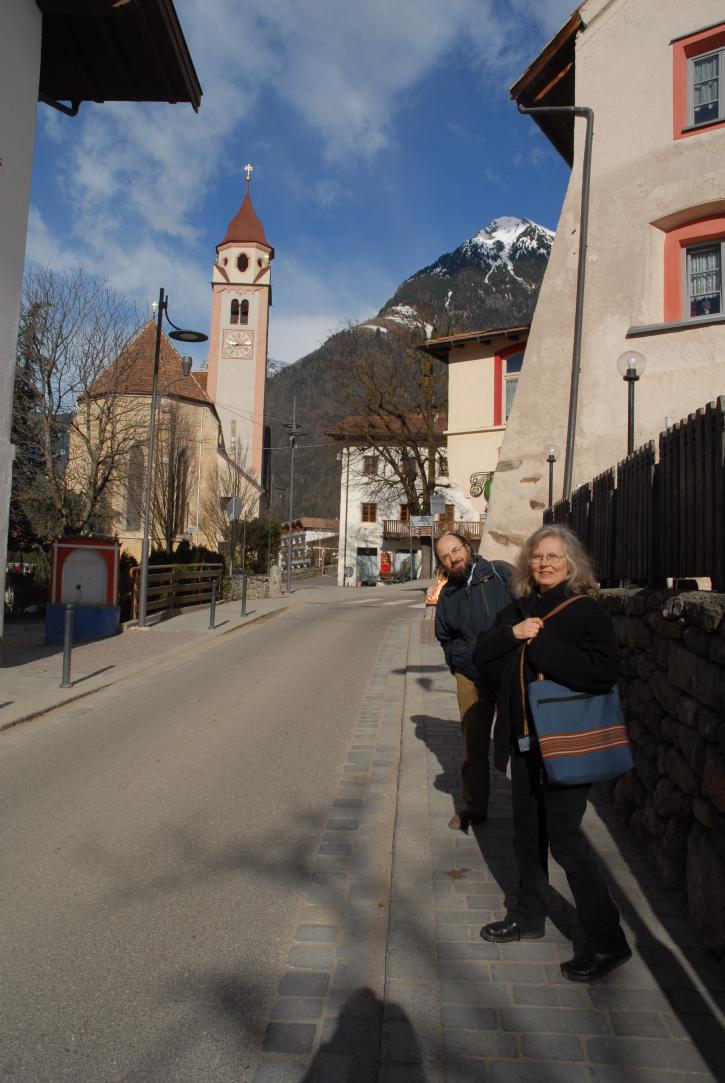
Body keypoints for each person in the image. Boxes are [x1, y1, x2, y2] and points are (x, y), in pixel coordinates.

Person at [473, 524, 631, 983]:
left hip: (565, 747)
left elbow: (603, 673)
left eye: (553, 557)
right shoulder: (519, 609)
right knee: (527, 835)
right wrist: (515, 633)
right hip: (524, 743)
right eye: (537, 557)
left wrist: (541, 645)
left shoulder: (586, 613)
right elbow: (483, 656)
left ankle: (608, 942)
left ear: (571, 563)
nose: (544, 564)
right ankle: (528, 916)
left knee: (565, 841)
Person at [434, 532, 514, 831]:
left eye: (456, 550)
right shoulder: (448, 595)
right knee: (474, 746)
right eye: (445, 556)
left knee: (519, 741)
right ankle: (474, 807)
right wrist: (462, 661)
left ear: (468, 547)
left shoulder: (500, 573)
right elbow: (445, 639)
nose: (453, 558)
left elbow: (525, 610)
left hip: (507, 672)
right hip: (471, 676)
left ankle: (527, 806)